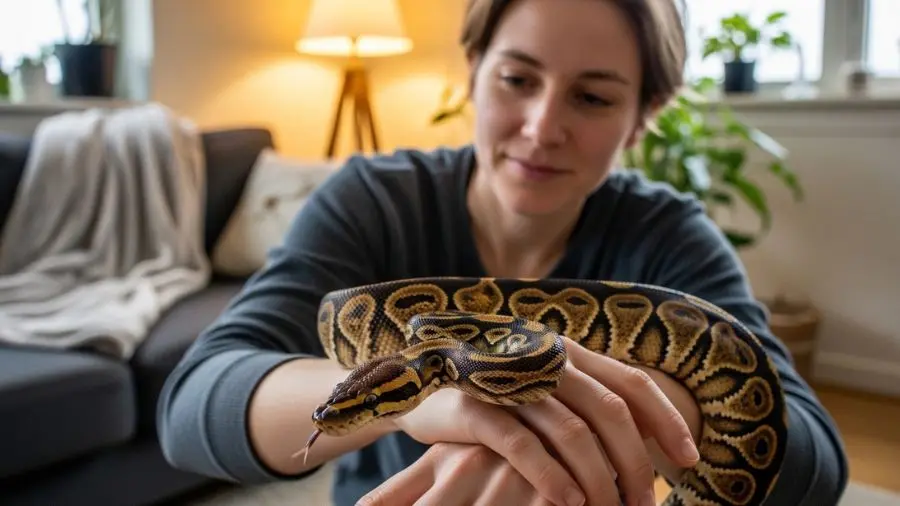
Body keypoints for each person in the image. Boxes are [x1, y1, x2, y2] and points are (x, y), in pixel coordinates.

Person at [157, 0, 849, 505]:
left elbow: (816, 467)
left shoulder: (670, 235)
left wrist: (613, 411)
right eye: (518, 79)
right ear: (474, 70)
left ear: (643, 116)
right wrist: (416, 406)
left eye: (592, 96)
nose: (543, 128)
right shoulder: (373, 200)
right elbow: (190, 409)